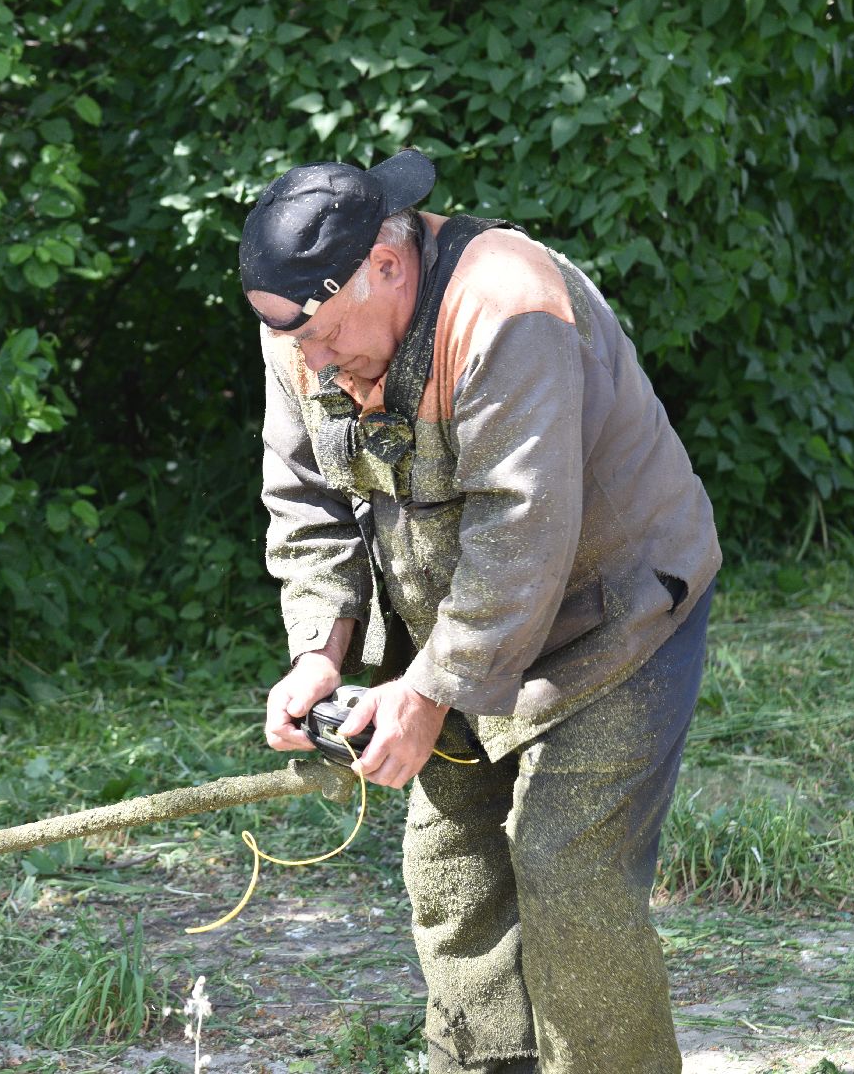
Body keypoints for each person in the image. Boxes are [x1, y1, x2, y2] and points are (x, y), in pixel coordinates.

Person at [241, 148, 721, 1074]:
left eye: (322, 332)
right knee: (451, 870)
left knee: (568, 878)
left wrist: (426, 693)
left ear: (386, 264)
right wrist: (319, 653)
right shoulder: (301, 318)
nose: (309, 356)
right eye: (292, 335)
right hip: (454, 632)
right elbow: (304, 501)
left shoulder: (509, 306)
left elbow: (521, 527)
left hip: (609, 622)